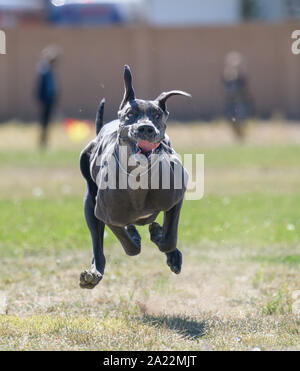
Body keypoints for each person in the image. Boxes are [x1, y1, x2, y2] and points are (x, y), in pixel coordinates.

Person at [223, 51, 253, 140]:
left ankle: (242, 138)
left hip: (240, 102)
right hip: (231, 103)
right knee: (231, 121)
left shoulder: (241, 77)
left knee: (241, 121)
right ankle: (237, 137)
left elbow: (245, 89)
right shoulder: (228, 76)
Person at [35, 45, 61, 148]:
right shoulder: (44, 70)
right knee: (44, 122)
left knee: (47, 122)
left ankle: (44, 141)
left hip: (50, 100)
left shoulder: (49, 70)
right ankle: (42, 142)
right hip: (45, 100)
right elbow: (42, 87)